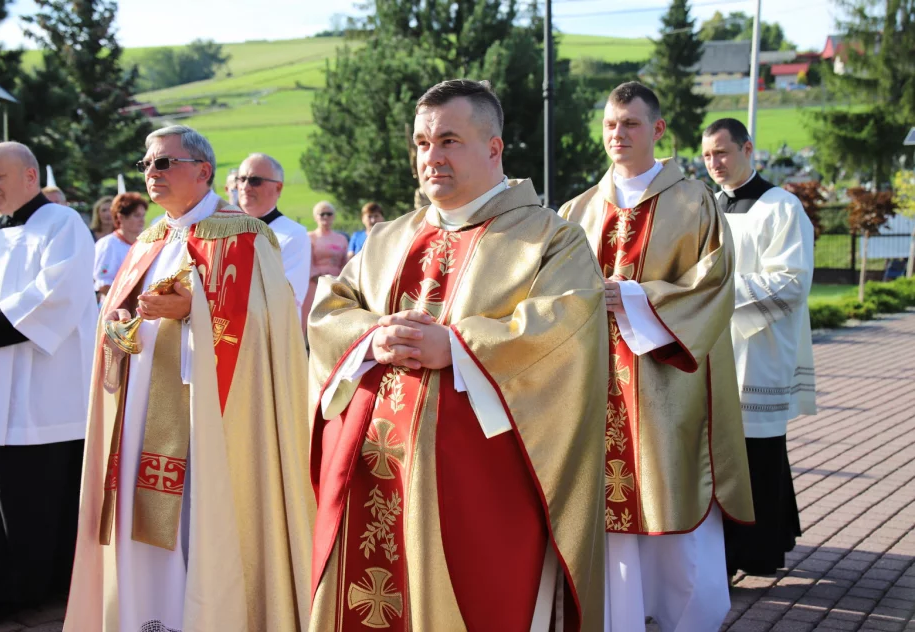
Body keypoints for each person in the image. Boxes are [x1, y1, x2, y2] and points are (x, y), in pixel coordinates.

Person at [308, 79, 609, 631]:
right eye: (422, 143)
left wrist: (459, 346)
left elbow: (566, 330)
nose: (431, 157)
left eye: (448, 140)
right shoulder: (387, 238)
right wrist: (373, 337)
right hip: (377, 474)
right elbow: (330, 310)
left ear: (493, 148)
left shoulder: (550, 239)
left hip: (478, 492)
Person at [64, 125, 313, 632]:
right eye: (146, 165)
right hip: (140, 412)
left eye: (163, 163)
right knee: (144, 519)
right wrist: (118, 326)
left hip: (210, 415)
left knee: (199, 521)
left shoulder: (246, 236)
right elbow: (113, 310)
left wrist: (193, 308)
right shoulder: (149, 240)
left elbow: (270, 325)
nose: (151, 173)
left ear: (202, 171)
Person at [559, 82, 754, 632]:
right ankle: (616, 616)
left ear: (658, 131)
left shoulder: (694, 202)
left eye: (630, 124)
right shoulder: (577, 210)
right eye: (610, 125)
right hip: (596, 386)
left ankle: (687, 618)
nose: (617, 135)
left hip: (668, 384)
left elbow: (714, 283)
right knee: (605, 506)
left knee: (673, 487)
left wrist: (641, 299)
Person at [0, 142, 97, 627]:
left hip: (46, 391)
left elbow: (60, 290)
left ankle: (16, 592)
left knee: (39, 495)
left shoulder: (62, 224)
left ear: (28, 175)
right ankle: (22, 585)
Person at [702, 117, 816, 578]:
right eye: (708, 156)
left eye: (723, 153)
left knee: (760, 455)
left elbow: (791, 283)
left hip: (759, 349)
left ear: (749, 150)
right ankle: (727, 553)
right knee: (722, 455)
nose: (715, 164)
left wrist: (718, 293)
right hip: (714, 348)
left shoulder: (781, 207)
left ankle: (763, 549)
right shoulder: (707, 207)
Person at [237, 152, 311, 321]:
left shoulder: (293, 234)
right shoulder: (225, 229)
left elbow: (284, 295)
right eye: (241, 179)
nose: (245, 187)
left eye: (255, 180)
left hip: (272, 333)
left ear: (278, 187)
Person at [302, 200, 348, 329]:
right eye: (322, 214)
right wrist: (317, 276)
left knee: (334, 315)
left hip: (335, 283)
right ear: (315, 217)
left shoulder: (341, 239)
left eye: (329, 214)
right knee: (311, 315)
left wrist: (343, 279)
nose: (326, 217)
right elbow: (307, 261)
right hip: (314, 283)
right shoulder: (310, 237)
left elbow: (345, 262)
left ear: (334, 216)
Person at [93, 192, 148, 299]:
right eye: (136, 215)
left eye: (143, 215)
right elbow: (104, 284)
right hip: (116, 310)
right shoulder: (108, 244)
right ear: (121, 217)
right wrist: (128, 303)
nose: (142, 220)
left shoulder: (146, 243)